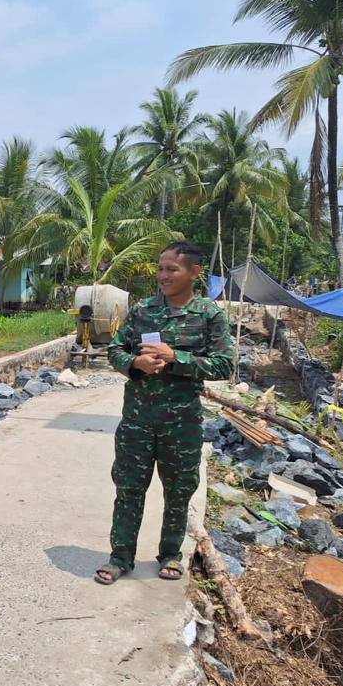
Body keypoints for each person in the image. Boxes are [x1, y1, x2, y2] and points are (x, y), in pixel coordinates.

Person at [95, 241, 233, 584]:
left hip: (182, 424)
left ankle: (171, 554)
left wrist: (177, 358)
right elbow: (114, 350)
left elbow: (223, 364)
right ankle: (119, 557)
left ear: (194, 272)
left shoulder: (209, 315)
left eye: (172, 269)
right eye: (160, 269)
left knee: (178, 493)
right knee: (128, 490)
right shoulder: (143, 310)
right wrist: (135, 363)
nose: (163, 275)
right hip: (137, 421)